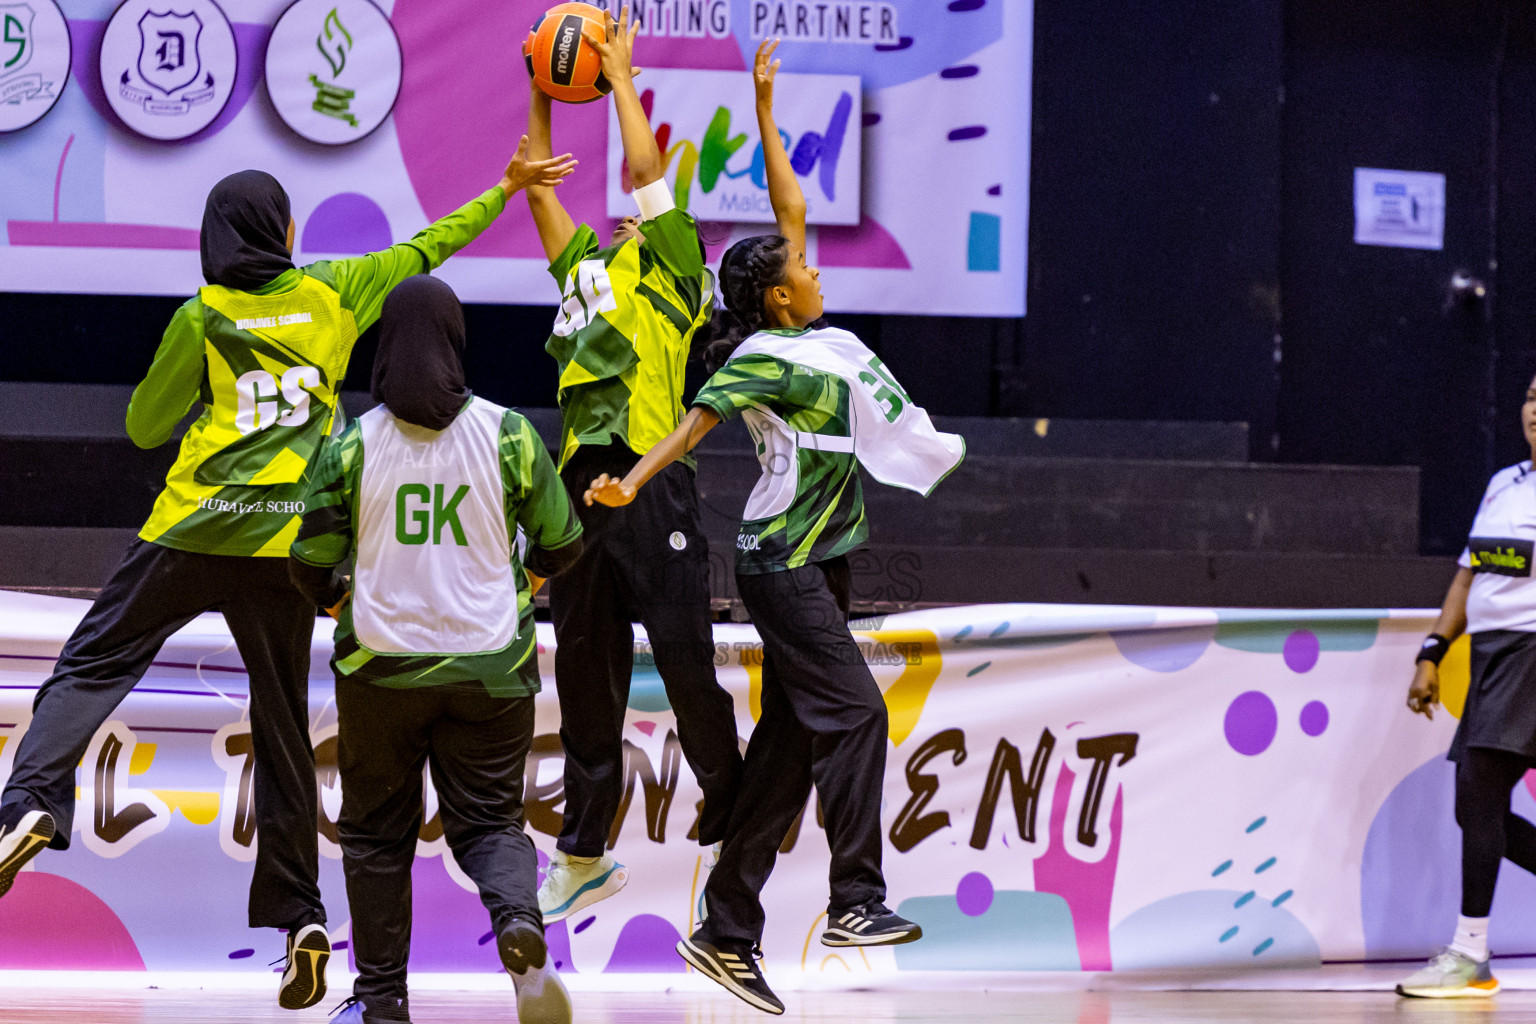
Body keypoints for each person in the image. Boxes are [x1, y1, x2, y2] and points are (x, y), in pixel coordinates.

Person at [0, 143, 575, 1011]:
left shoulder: (204, 313)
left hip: (192, 530)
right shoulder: (336, 293)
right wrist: (504, 187)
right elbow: (430, 248)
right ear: (288, 230)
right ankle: (302, 922)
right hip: (283, 545)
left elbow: (146, 427)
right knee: (280, 733)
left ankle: (30, 803)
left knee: (93, 665)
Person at [583, 39, 965, 1015]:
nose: (814, 264)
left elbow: (789, 211)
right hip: (781, 561)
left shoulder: (807, 331)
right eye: (801, 266)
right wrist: (629, 482)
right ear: (775, 295)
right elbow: (694, 426)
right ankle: (856, 902)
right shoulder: (760, 355)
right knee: (861, 713)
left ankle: (725, 927)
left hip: (818, 561)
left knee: (791, 747)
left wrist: (764, 105)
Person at [287, 274, 583, 1024]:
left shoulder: (352, 445)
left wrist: (337, 602)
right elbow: (565, 543)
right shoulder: (509, 433)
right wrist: (519, 585)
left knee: (377, 834)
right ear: (456, 341)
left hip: (381, 669)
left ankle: (382, 1001)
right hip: (491, 668)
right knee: (489, 823)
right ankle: (518, 920)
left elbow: (308, 562)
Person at [522, 4, 742, 922]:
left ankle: (733, 801)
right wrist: (539, 88)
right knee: (586, 673)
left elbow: (649, 175)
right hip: (579, 498)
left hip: (652, 482)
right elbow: (538, 191)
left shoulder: (677, 270)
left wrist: (617, 82)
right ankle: (581, 847)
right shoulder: (586, 271)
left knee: (686, 659)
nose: (626, 211)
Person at [1397, 372, 1536, 999]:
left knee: (1479, 791)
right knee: (1472, 807)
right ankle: (1470, 955)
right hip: (1489, 658)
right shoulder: (1502, 485)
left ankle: (1470, 954)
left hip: (1533, 653)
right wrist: (1433, 651)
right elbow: (1466, 577)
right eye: (1533, 397)